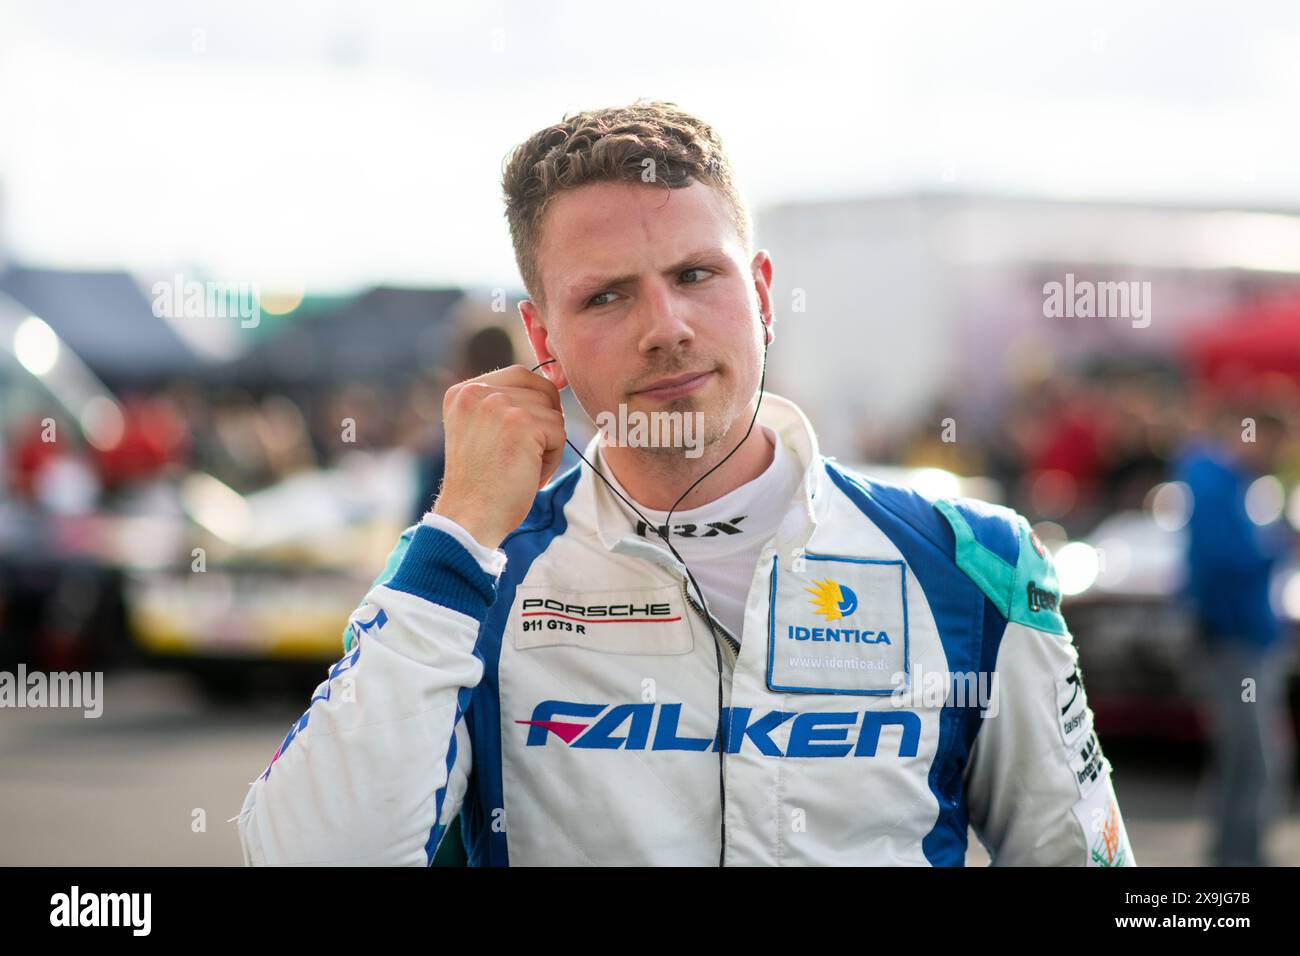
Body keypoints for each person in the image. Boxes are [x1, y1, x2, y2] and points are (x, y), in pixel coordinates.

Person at [236, 100, 1136, 866]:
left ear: (763, 295)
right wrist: (461, 525)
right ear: (542, 341)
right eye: (606, 297)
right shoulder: (476, 576)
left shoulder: (974, 566)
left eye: (695, 275)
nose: (665, 327)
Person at [1174, 406, 1295, 866]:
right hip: (1234, 643)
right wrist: (1276, 547)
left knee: (1244, 759)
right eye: (1275, 442)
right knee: (1254, 759)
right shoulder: (1215, 484)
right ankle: (1240, 859)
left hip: (1240, 640)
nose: (1276, 454)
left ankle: (1233, 855)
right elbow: (1223, 563)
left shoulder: (1228, 484)